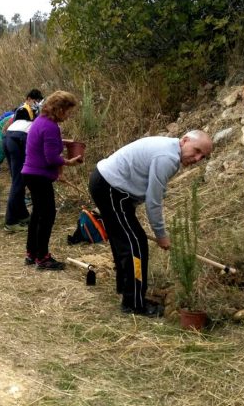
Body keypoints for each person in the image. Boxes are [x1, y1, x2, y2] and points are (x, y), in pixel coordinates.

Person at [88, 130, 213, 316]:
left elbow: (155, 188)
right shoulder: (168, 157)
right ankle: (134, 304)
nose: (197, 158)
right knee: (135, 245)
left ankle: (126, 288)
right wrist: (161, 235)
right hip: (111, 188)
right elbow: (153, 201)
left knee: (125, 240)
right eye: (196, 151)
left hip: (108, 185)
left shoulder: (170, 151)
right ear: (185, 140)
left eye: (203, 156)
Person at [21, 91, 81, 270]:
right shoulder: (51, 127)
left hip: (30, 173)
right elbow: (51, 158)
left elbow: (45, 142)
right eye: (68, 111)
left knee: (38, 215)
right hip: (39, 175)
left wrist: (61, 142)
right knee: (47, 216)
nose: (69, 115)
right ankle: (43, 257)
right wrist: (67, 162)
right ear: (59, 109)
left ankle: (31, 254)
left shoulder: (40, 122)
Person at [3, 89, 44, 232]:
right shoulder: (32, 113)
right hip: (19, 138)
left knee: (18, 179)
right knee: (19, 181)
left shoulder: (33, 114)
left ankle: (22, 215)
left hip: (9, 137)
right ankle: (10, 221)